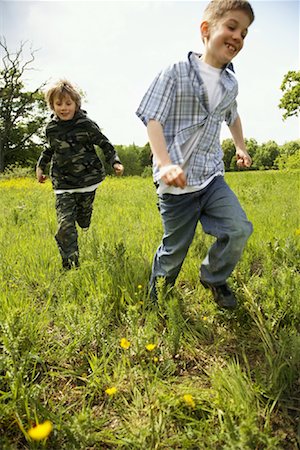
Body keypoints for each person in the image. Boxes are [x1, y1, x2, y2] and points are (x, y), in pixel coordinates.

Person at [136, 0, 254, 309]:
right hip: (175, 185)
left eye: (244, 32)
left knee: (239, 229)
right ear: (206, 29)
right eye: (232, 26)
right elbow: (153, 119)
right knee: (174, 249)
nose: (238, 37)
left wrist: (240, 145)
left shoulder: (230, 83)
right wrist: (164, 164)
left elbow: (233, 116)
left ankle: (214, 277)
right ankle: (156, 301)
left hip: (211, 176)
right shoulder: (175, 73)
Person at [36, 80, 124, 269]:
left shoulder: (86, 124)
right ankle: (71, 267)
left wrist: (115, 161)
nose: (64, 108)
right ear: (52, 105)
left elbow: (104, 143)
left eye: (68, 103)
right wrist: (40, 167)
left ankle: (84, 217)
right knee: (66, 225)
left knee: (83, 219)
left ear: (76, 104)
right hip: (63, 183)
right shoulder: (51, 128)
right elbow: (48, 149)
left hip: (87, 181)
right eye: (59, 104)